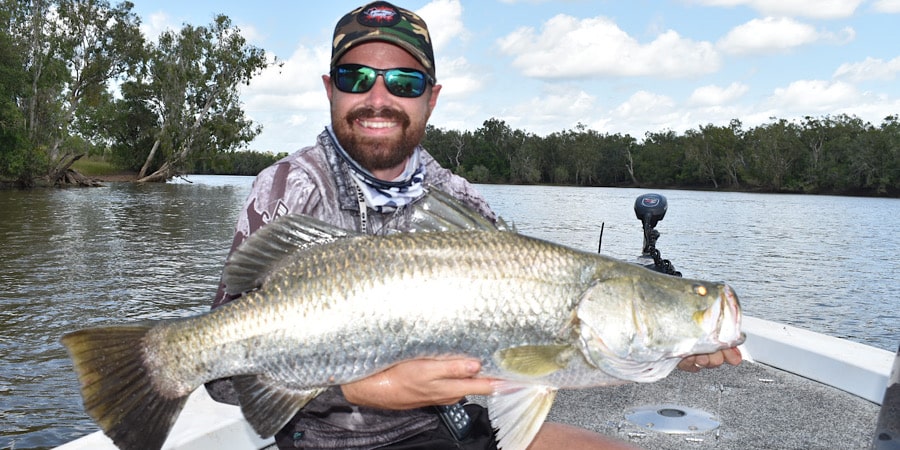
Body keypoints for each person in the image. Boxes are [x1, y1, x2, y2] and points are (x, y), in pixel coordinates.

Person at [207, 2, 742, 449]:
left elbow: (532, 373)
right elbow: (222, 373)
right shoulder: (290, 188)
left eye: (403, 81)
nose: (378, 97)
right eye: (356, 78)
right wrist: (373, 388)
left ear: (431, 98)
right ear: (331, 89)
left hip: (451, 427)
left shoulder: (460, 200)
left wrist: (670, 349)